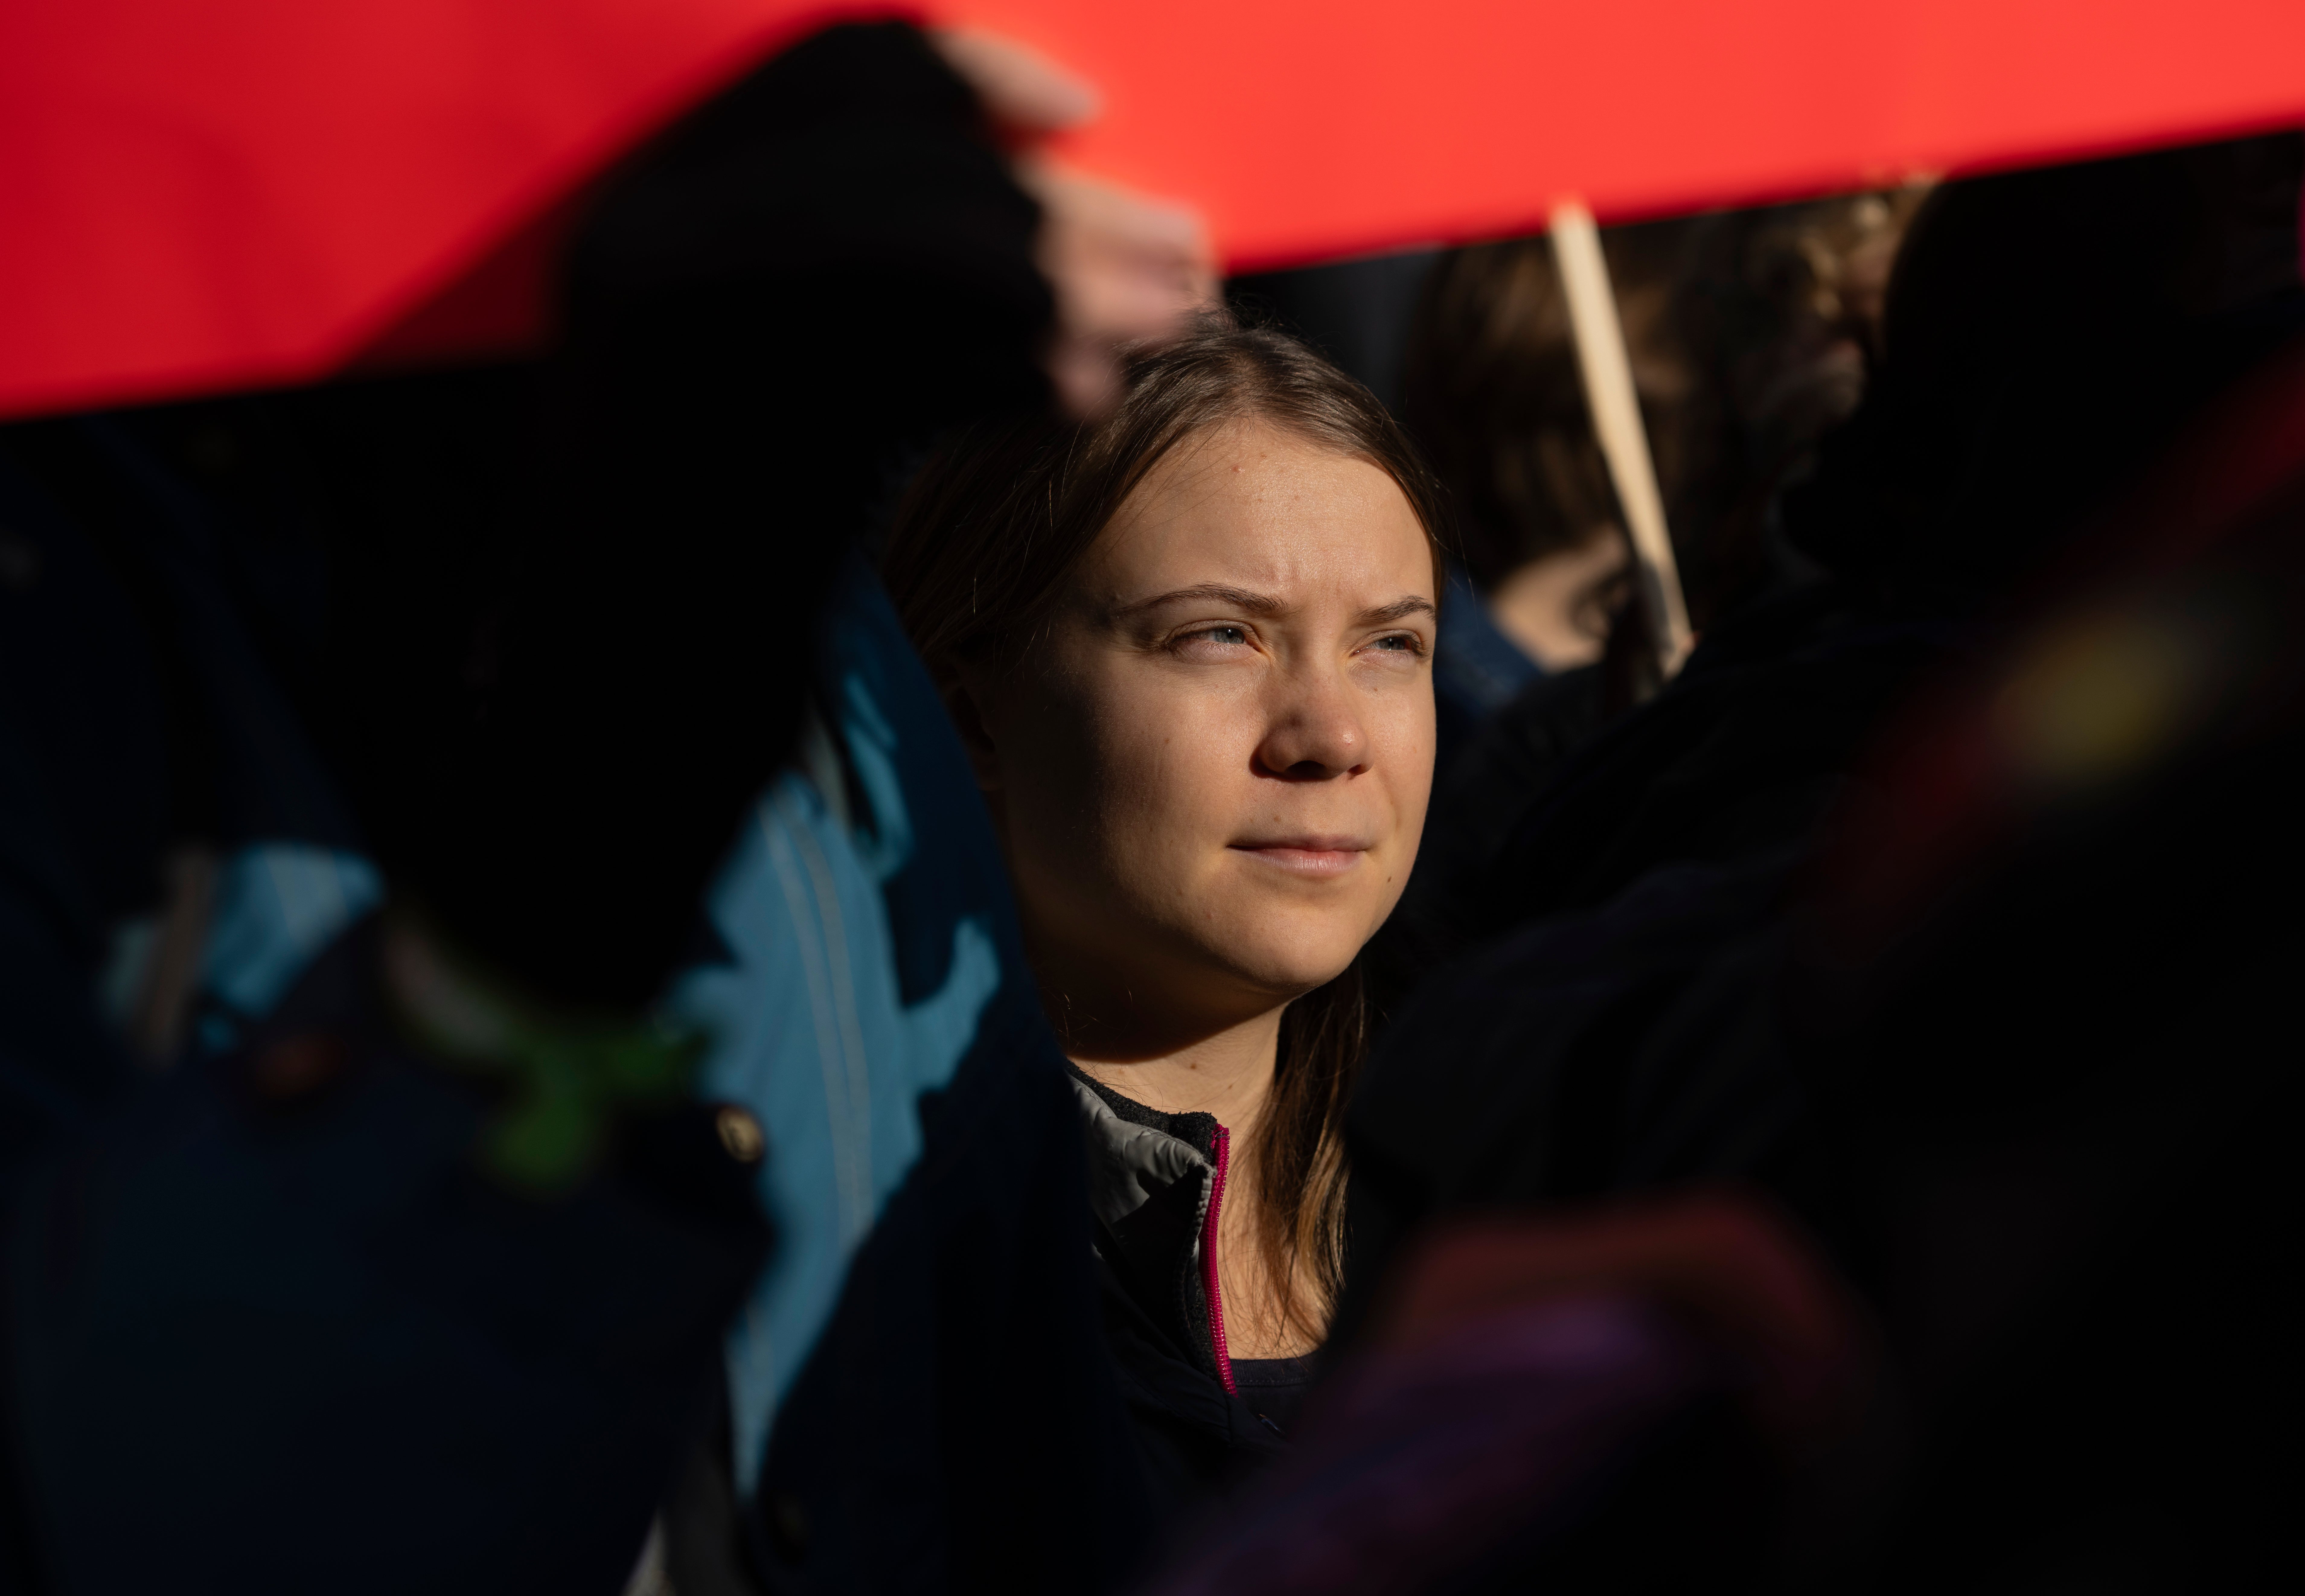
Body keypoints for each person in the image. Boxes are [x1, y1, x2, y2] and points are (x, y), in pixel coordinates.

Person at [879, 318, 1448, 1511]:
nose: (1331, 737)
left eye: (1389, 645)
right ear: (975, 716)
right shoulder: (847, 1256)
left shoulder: (1524, 1201)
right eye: (1217, 636)